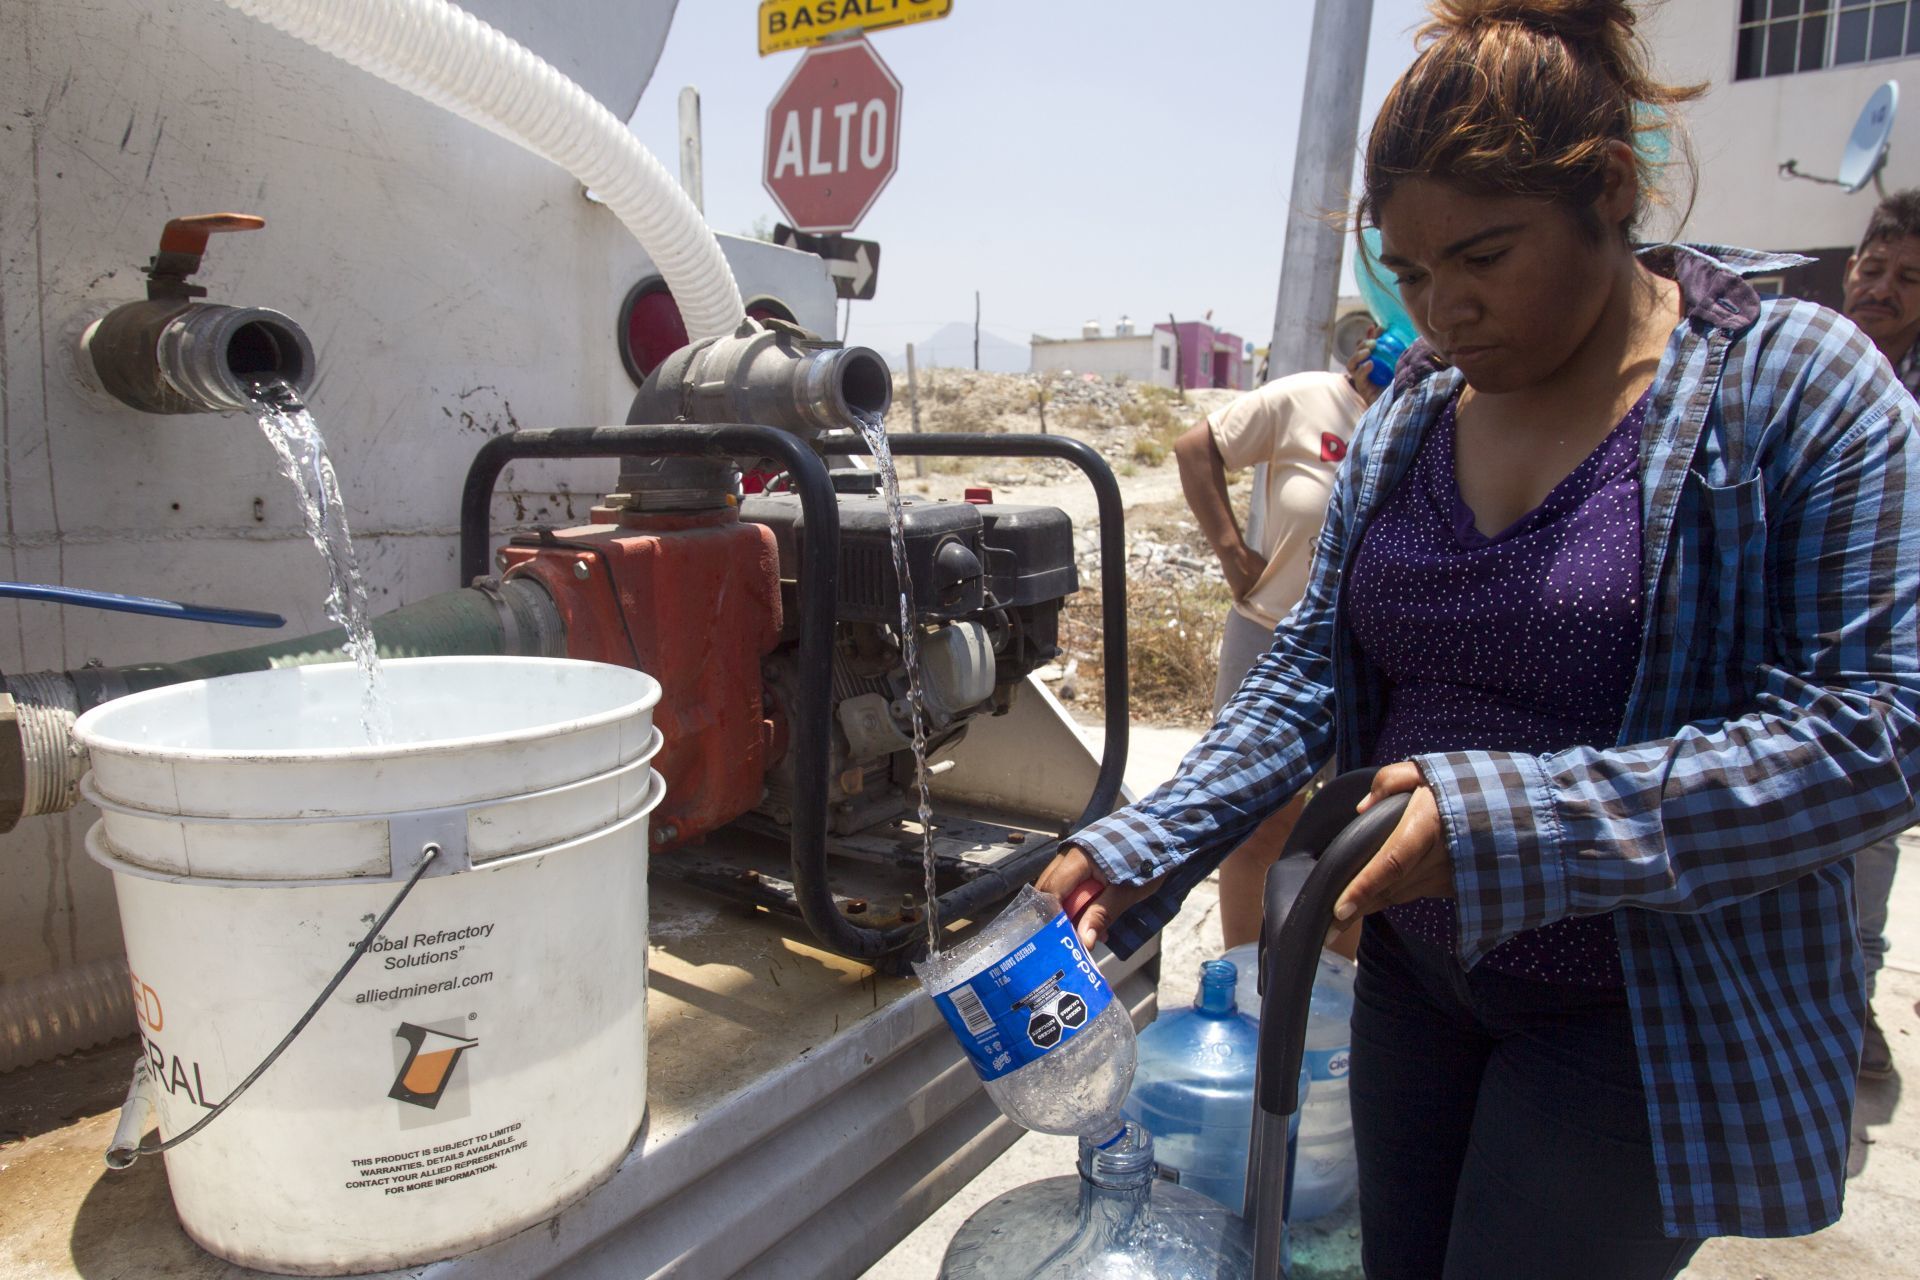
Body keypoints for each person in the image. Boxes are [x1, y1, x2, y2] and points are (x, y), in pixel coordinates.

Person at [1036, 2, 1920, 1277]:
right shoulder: (1410, 423)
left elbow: (1874, 732)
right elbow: (1307, 679)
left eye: (1485, 257)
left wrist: (1511, 821)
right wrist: (1139, 845)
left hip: (1636, 1008)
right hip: (1420, 981)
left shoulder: (1797, 388)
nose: (1441, 310)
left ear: (1610, 191)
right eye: (1406, 271)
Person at [1172, 336, 1384, 950]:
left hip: (1375, 657)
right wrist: (1234, 554)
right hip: (1270, 634)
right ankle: (1245, 980)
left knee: (1361, 832)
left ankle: (1333, 1001)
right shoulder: (1308, 398)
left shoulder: (1437, 416)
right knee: (1257, 819)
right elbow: (1196, 447)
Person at [1838, 189, 1920, 1081]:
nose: (1882, 289)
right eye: (1872, 268)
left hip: (1889, 674)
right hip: (1794, 666)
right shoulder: (1789, 374)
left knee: (1866, 854)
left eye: (1907, 278)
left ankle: (1850, 1009)